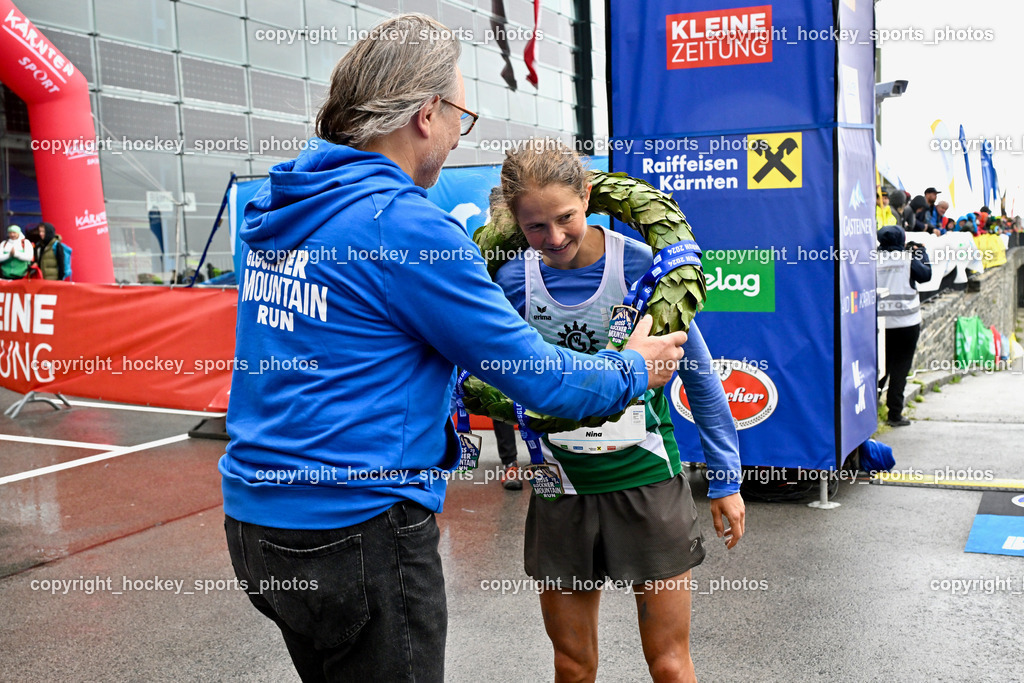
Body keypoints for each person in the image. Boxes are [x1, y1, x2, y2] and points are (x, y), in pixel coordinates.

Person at [218, 14, 688, 683]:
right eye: (460, 115)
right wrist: (634, 366)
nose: (455, 134)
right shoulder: (405, 227)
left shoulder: (286, 203)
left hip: (256, 523)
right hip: (358, 529)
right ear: (427, 115)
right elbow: (542, 380)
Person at [493, 141, 745, 683]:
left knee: (670, 664)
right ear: (515, 223)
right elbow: (482, 371)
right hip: (560, 487)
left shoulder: (639, 263)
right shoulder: (513, 281)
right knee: (572, 664)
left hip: (646, 479)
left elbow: (699, 376)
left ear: (588, 195)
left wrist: (726, 479)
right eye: (536, 227)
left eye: (566, 218)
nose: (555, 238)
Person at [877, 226, 931, 427]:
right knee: (900, 368)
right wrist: (920, 252)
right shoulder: (908, 259)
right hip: (907, 323)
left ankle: (871, 409)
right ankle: (895, 414)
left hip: (880, 324)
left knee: (879, 368)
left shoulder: (871, 259)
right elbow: (926, 275)